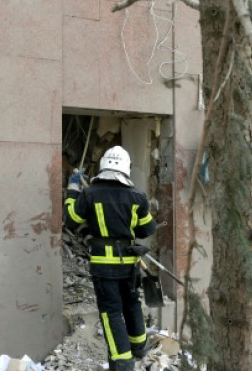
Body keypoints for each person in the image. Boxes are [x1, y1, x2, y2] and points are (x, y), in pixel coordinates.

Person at [65, 146, 156, 371]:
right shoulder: (137, 197)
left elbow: (72, 220)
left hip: (103, 266)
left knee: (111, 311)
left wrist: (73, 191)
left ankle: (122, 361)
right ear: (126, 168)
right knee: (132, 303)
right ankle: (139, 347)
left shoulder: (90, 193)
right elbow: (147, 229)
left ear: (103, 165)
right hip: (129, 264)